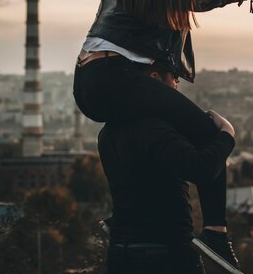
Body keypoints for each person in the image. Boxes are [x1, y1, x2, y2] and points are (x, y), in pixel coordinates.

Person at [72, 0, 253, 257]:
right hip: (118, 75)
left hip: (88, 77)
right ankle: (215, 235)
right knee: (208, 133)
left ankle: (122, 219)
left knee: (133, 137)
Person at [98, 64, 241, 274]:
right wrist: (227, 134)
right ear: (156, 78)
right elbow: (202, 169)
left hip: (120, 252)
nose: (176, 86)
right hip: (165, 253)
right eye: (175, 78)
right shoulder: (152, 128)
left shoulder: (108, 131)